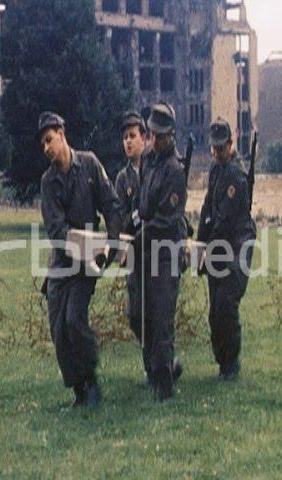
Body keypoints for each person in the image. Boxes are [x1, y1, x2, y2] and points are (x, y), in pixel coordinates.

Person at [37, 111, 122, 407]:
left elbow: (111, 205)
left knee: (74, 319)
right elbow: (57, 231)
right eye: (42, 144)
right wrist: (77, 248)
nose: (47, 148)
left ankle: (92, 381)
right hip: (62, 262)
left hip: (89, 261)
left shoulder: (89, 164)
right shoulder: (48, 183)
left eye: (50, 139)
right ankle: (79, 391)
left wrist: (110, 244)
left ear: (62, 133)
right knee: (58, 329)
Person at [134, 102, 187, 401]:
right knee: (143, 315)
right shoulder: (150, 160)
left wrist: (141, 234)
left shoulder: (174, 170)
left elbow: (167, 220)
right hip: (146, 247)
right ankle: (158, 370)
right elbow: (144, 204)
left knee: (162, 316)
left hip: (166, 250)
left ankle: (164, 388)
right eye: (152, 134)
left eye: (161, 136)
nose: (155, 140)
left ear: (171, 136)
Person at [197, 118, 256, 380]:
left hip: (237, 244)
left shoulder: (235, 176)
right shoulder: (216, 170)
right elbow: (208, 208)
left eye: (221, 148)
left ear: (231, 144)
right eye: (214, 148)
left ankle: (231, 365)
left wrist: (207, 246)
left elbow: (225, 219)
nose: (217, 152)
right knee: (215, 310)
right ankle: (222, 362)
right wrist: (200, 243)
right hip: (218, 245)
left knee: (225, 305)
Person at [114, 111, 148, 378]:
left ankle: (159, 368)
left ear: (144, 139)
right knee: (134, 313)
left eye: (133, 136)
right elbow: (119, 217)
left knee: (157, 312)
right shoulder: (122, 179)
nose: (128, 142)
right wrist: (137, 216)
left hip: (156, 249)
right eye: (125, 137)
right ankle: (155, 359)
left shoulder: (155, 169)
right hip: (134, 252)